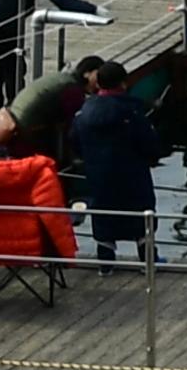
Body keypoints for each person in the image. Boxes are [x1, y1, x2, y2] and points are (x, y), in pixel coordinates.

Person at [69, 59, 165, 264]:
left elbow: (74, 141)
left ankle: (105, 265)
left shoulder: (84, 112)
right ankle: (147, 262)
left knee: (104, 221)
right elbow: (149, 143)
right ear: (123, 83)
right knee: (142, 220)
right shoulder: (132, 111)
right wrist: (152, 157)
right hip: (133, 176)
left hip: (99, 176)